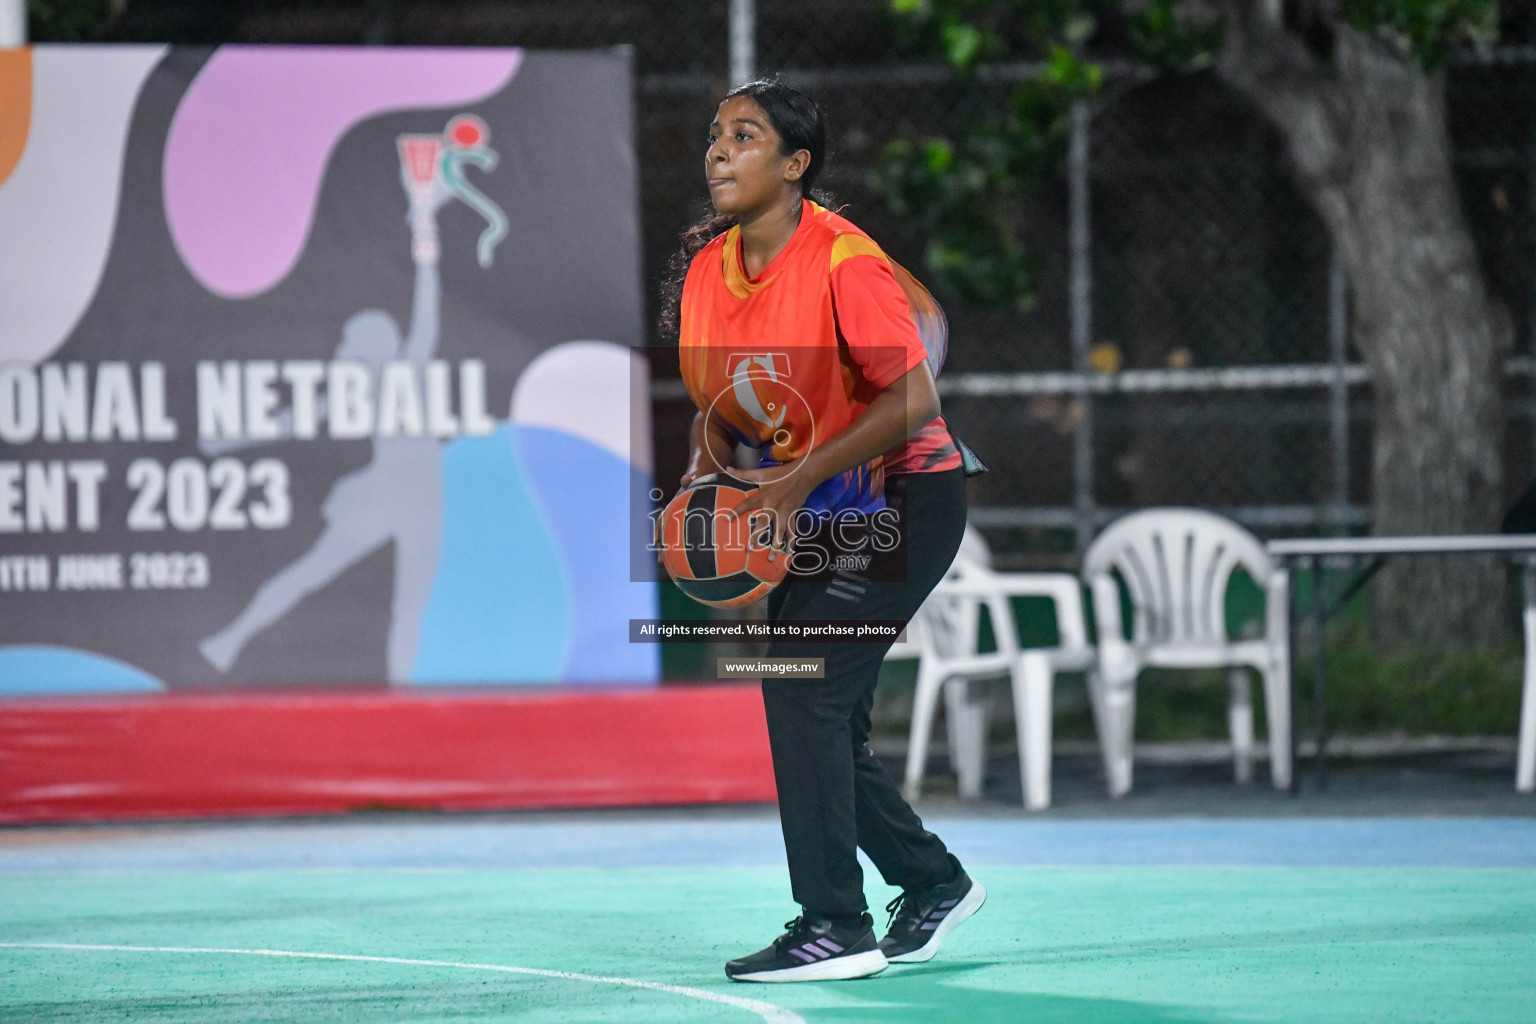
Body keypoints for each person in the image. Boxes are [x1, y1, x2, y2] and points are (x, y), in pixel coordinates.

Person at [659, 78, 985, 983]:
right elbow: (724, 408)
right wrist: (707, 471)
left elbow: (916, 395)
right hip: (814, 508)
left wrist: (799, 477)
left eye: (747, 136)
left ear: (796, 165)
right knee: (814, 707)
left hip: (902, 502)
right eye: (716, 134)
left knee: (801, 694)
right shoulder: (706, 276)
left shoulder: (844, 261)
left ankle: (835, 925)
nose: (719, 151)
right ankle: (931, 885)